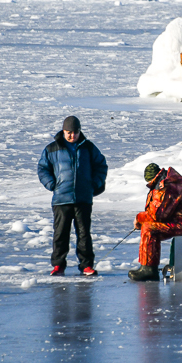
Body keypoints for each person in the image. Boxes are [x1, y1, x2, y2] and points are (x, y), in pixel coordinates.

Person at [37, 115, 108, 277]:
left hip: (83, 198)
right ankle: (58, 266)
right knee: (60, 233)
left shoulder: (88, 147)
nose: (72, 135)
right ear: (63, 131)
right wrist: (52, 184)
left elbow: (101, 165)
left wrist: (94, 184)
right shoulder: (52, 149)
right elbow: (42, 168)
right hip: (61, 199)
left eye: (75, 132)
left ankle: (86, 266)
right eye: (69, 132)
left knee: (84, 234)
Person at [129, 163, 182, 281]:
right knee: (150, 228)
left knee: (149, 228)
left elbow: (157, 215)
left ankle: (149, 270)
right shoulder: (169, 184)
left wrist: (139, 218)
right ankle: (148, 267)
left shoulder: (168, 188)